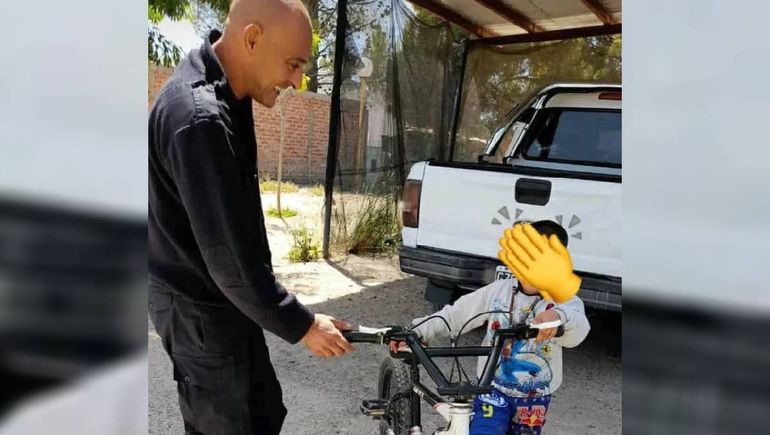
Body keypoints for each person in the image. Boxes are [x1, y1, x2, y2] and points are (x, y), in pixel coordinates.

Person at [148, 0, 353, 433]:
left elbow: (231, 235)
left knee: (262, 412)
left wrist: (295, 314)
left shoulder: (227, 94)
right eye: (293, 64)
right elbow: (227, 259)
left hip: (225, 297)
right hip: (199, 308)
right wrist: (304, 325)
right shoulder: (201, 119)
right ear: (253, 38)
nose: (298, 81)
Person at [391, 221, 590, 435]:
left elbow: (577, 331)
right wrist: (418, 330)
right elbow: (457, 314)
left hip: (535, 397)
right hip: (491, 389)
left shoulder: (564, 300)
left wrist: (558, 319)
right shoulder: (498, 291)